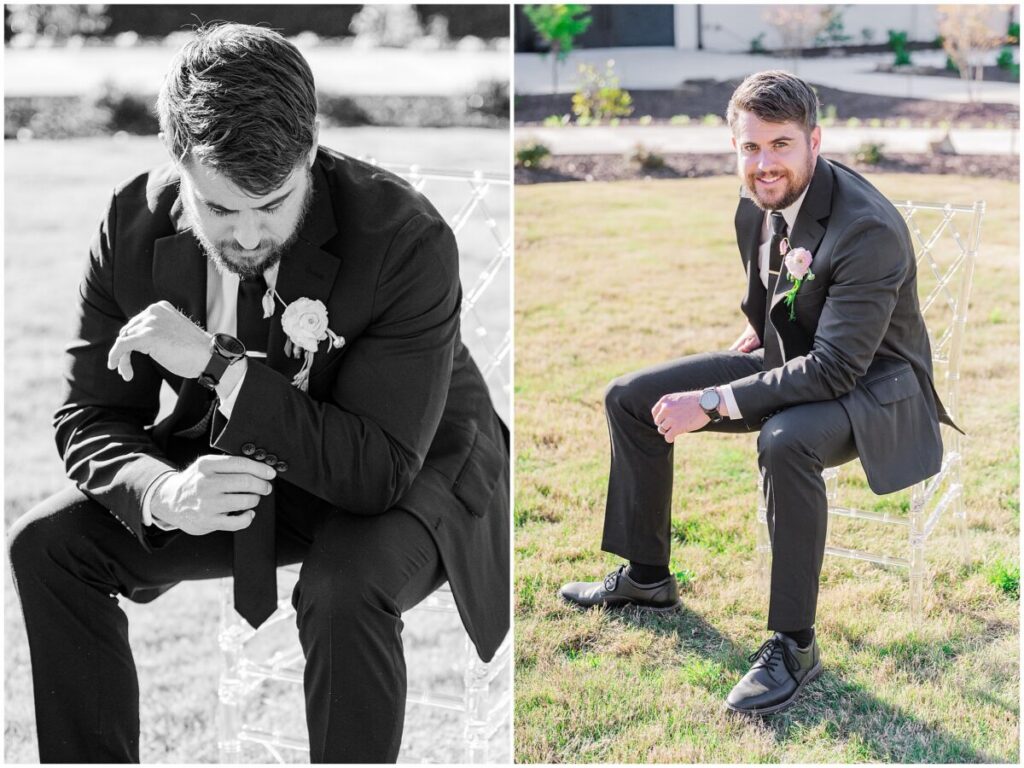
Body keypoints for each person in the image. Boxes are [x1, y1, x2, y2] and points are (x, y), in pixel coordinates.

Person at [8, 23, 509, 763]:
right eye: (219, 210)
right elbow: (89, 412)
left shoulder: (405, 237)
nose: (245, 236)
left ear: (310, 153)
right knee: (47, 546)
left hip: (410, 462)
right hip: (250, 465)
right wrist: (163, 491)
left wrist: (216, 366)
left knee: (342, 587)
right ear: (177, 163)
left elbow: (377, 473)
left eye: (271, 203)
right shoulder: (131, 223)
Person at [559, 70, 955, 715]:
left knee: (785, 440)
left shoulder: (866, 229)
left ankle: (794, 645)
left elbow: (834, 371)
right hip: (797, 359)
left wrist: (712, 402)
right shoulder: (758, 198)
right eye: (749, 147)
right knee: (629, 398)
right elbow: (775, 295)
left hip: (872, 388)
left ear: (814, 140)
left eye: (779, 145)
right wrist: (761, 326)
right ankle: (647, 577)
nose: (763, 164)